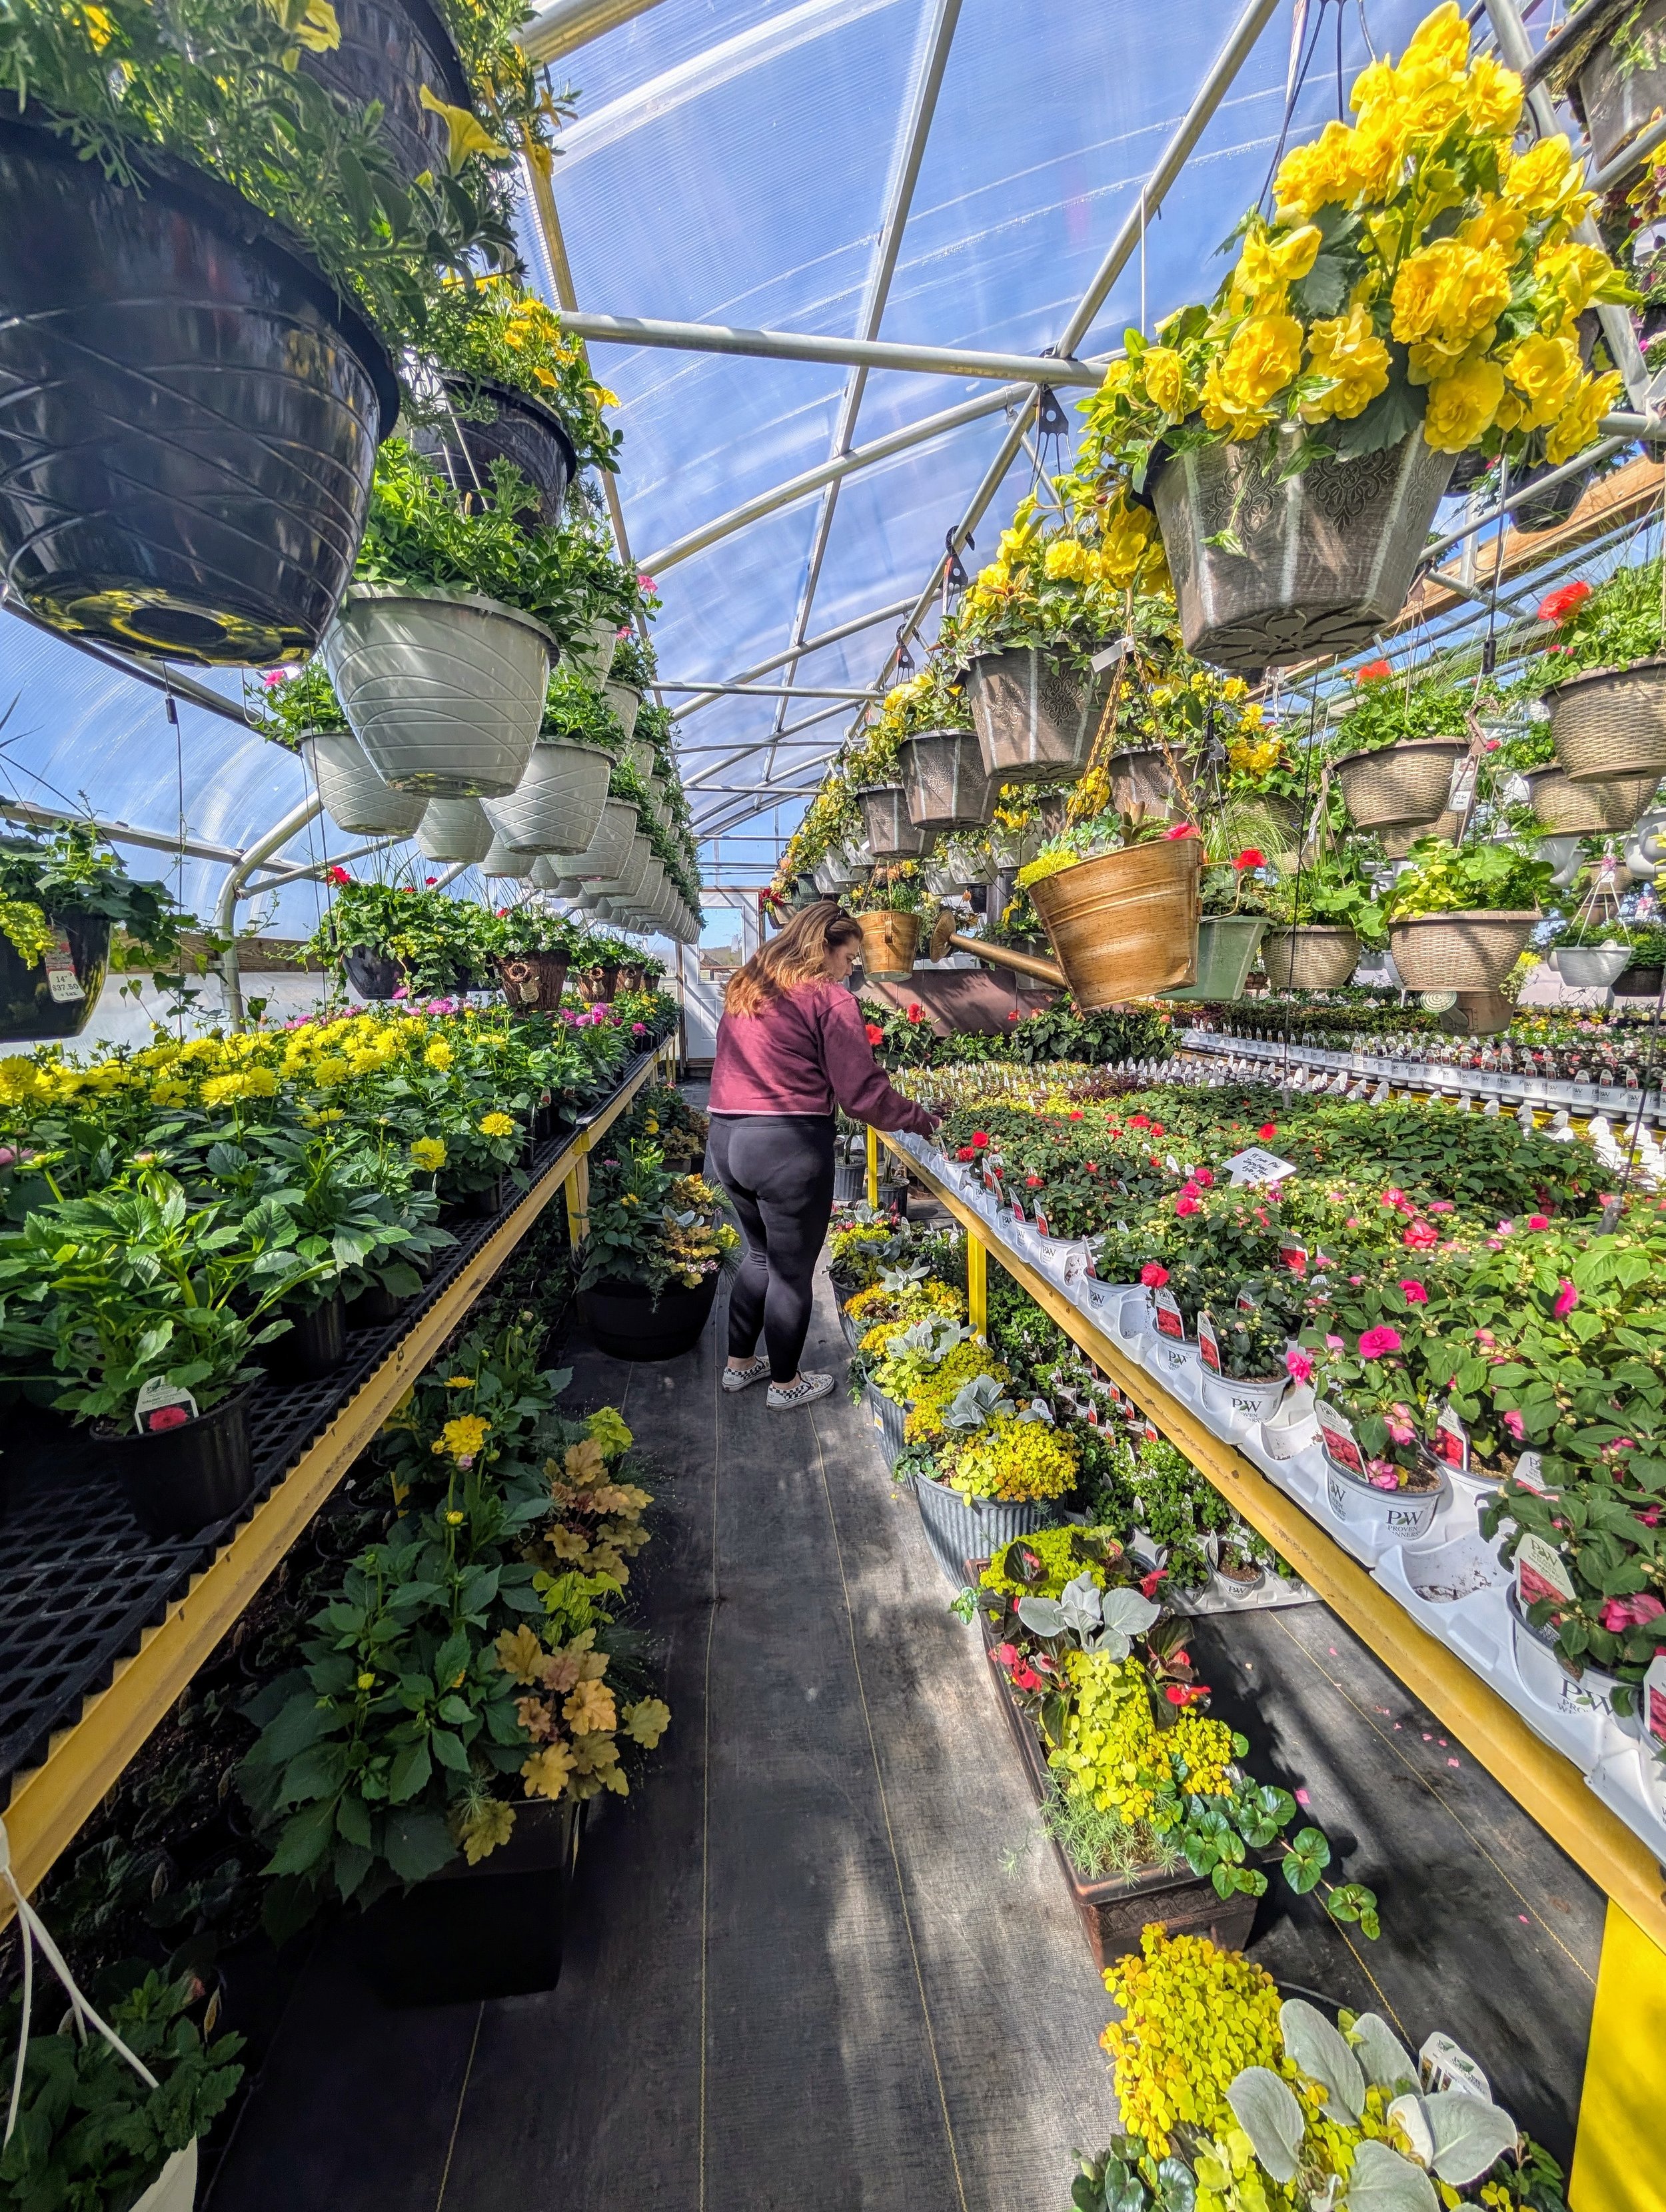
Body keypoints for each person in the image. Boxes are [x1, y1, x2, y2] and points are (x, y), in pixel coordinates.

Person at [708, 900, 939, 1410]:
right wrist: (923, 1118)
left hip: (726, 1137)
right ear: (824, 948)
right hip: (786, 1146)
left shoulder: (749, 988)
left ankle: (739, 1366)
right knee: (793, 1272)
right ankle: (786, 1386)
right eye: (850, 957)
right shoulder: (828, 999)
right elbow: (861, 1094)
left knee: (760, 1256)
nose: (851, 968)